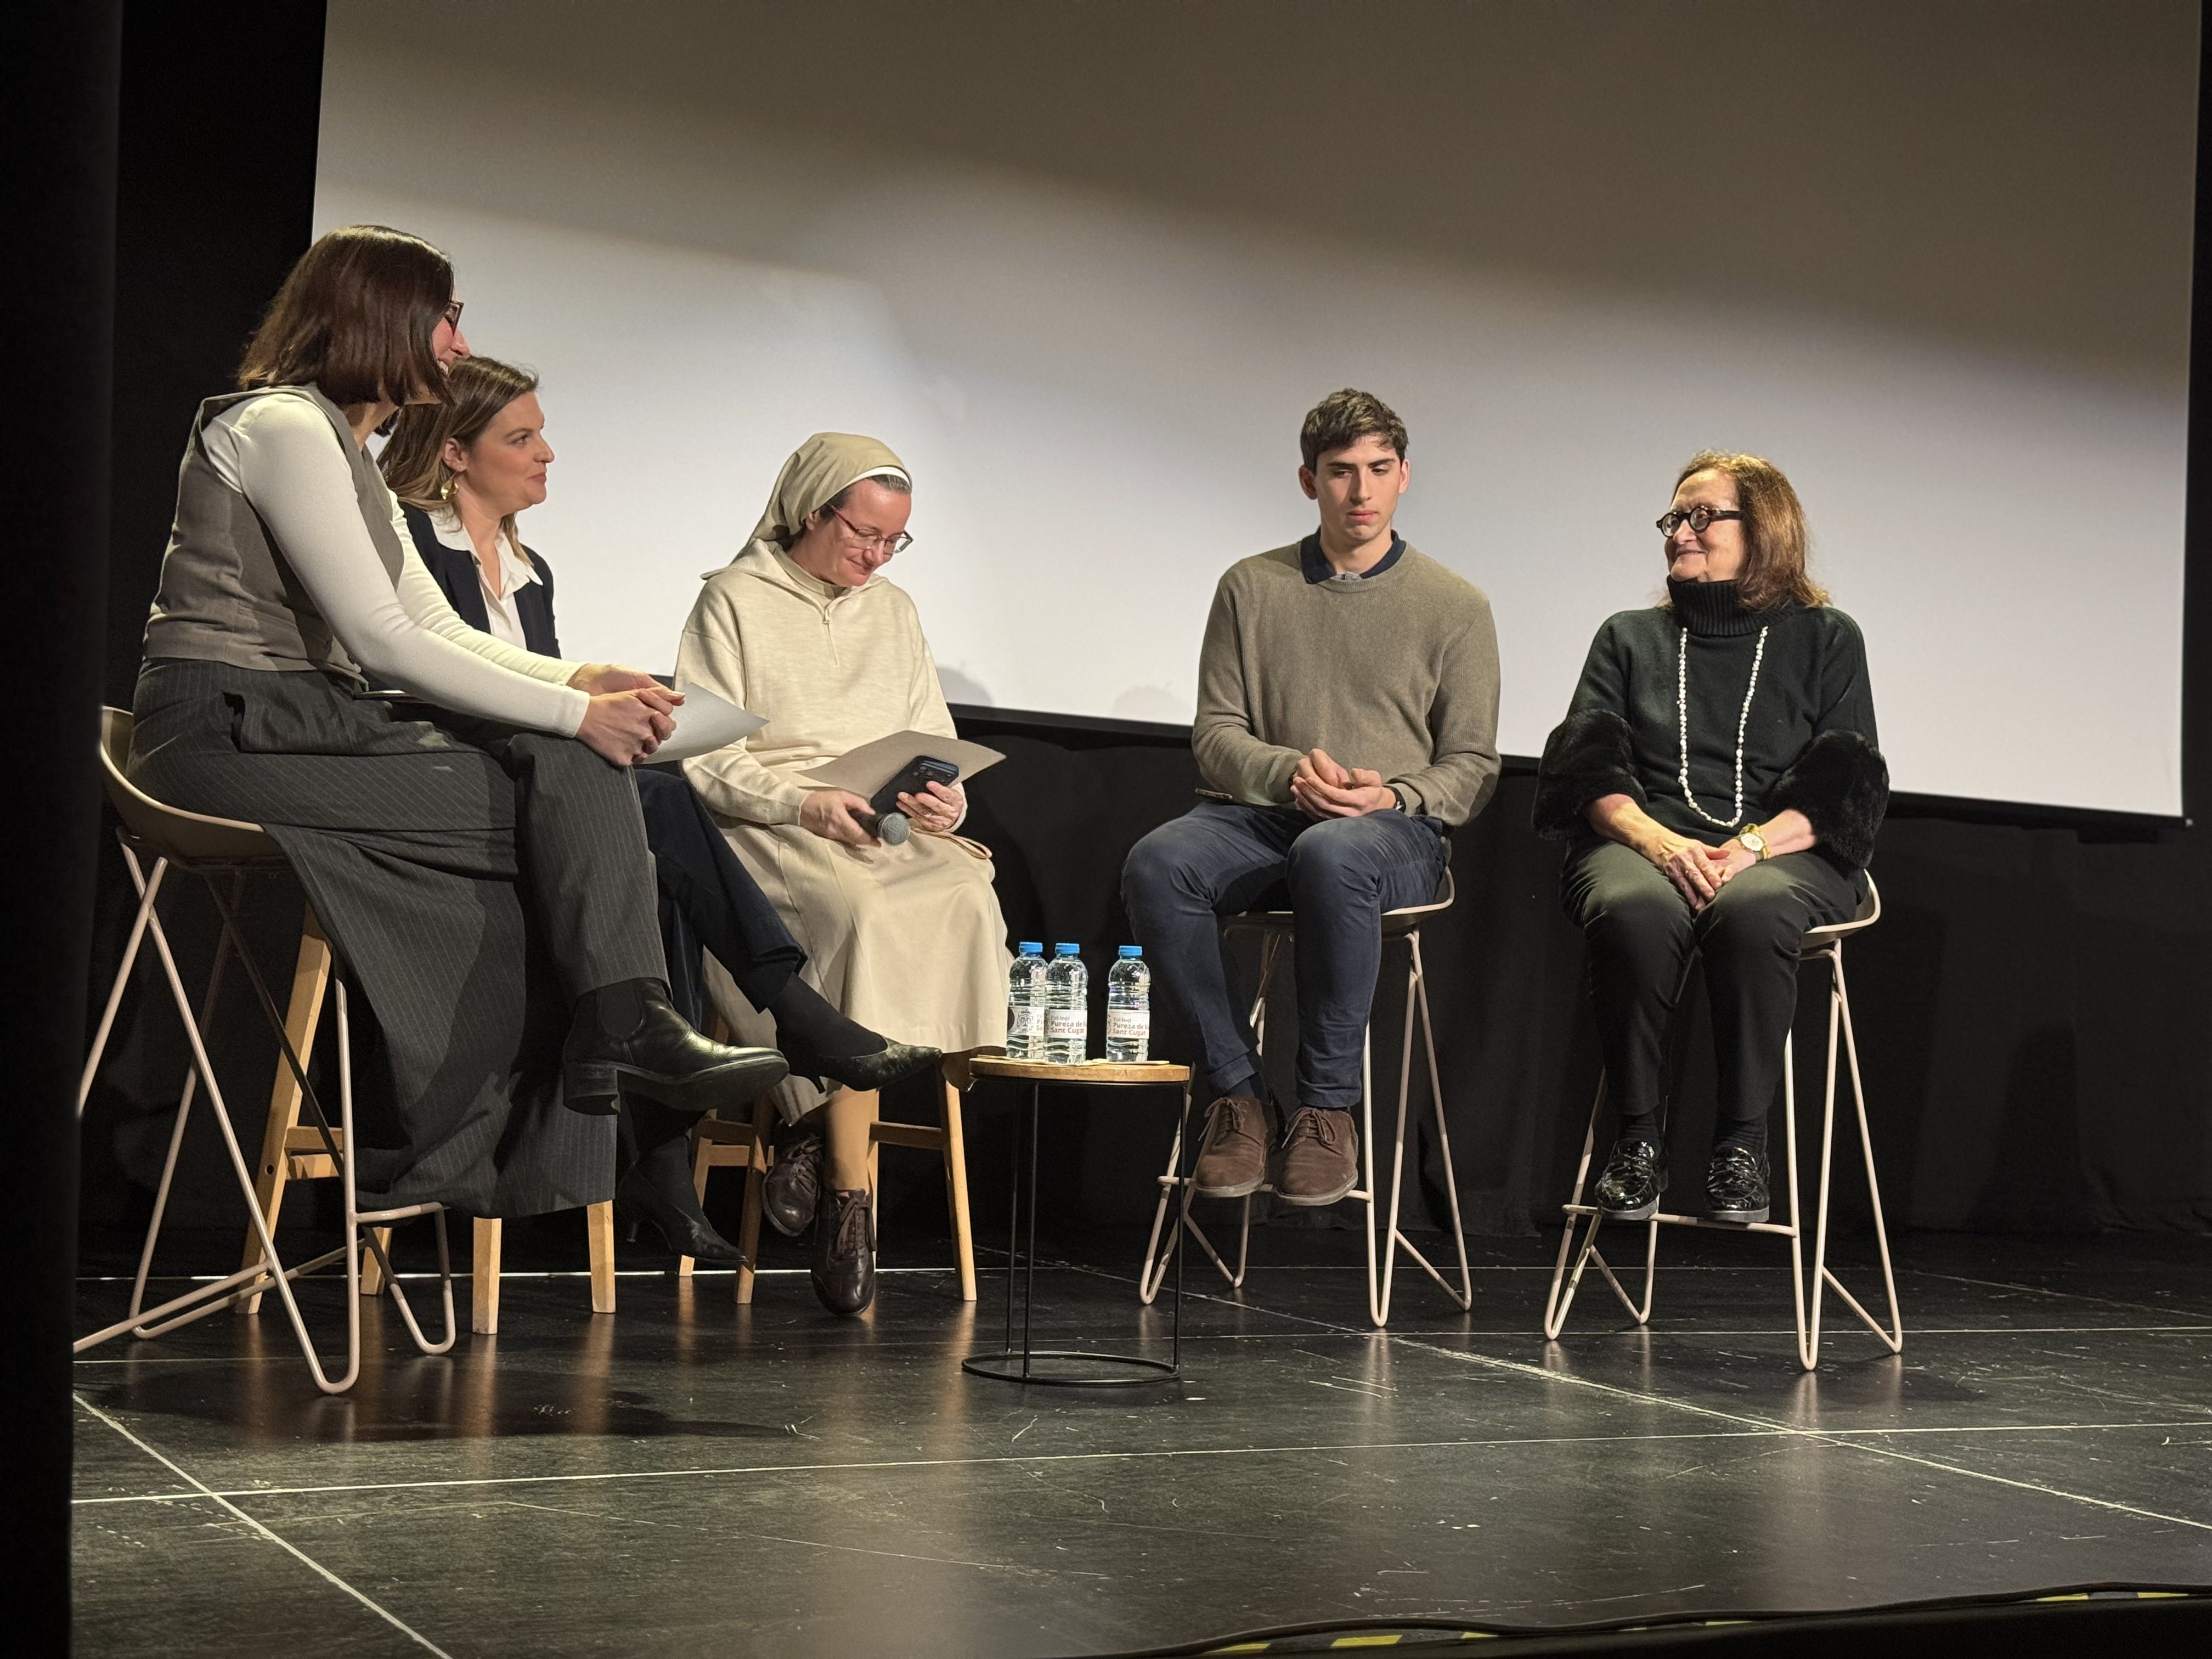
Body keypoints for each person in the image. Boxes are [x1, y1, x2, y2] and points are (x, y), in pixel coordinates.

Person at [126, 223, 788, 1221]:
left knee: (566, 765)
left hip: (309, 725)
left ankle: (623, 1020)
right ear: (383, 315)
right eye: (447, 314)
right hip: (225, 732)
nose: (456, 338)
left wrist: (578, 679)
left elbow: (434, 623)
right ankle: (599, 1050)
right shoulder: (282, 428)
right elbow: (383, 638)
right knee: (566, 781)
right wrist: (578, 709)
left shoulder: (349, 446)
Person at [379, 359, 938, 1262]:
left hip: (536, 787)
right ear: (453, 453)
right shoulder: (410, 540)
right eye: (522, 439)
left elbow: (546, 694)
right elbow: (429, 680)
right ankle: (790, 1011)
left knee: (656, 859)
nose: (546, 454)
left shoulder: (529, 570)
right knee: (667, 801)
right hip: (443, 783)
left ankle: (667, 1164)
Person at [1121, 390, 1500, 1206]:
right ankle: (1237, 1096)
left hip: (1391, 836)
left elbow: (1471, 766)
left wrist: (1394, 793)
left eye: (1377, 471)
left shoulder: (1457, 606)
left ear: (1404, 477)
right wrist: (1292, 772)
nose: (1359, 492)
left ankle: (1329, 1111)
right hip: (1258, 815)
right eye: (1339, 474)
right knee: (1159, 864)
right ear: (1308, 481)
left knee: (1331, 852)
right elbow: (1216, 735)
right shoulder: (1250, 588)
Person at [674, 433, 1011, 1317]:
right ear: (811, 511)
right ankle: (852, 1204)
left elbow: (932, 738)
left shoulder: (893, 609)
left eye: (893, 541)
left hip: (874, 817)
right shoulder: (734, 599)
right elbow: (706, 762)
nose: (875, 556)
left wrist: (946, 803)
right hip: (768, 820)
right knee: (855, 906)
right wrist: (802, 803)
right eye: (862, 535)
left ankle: (815, 1133)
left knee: (965, 891)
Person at [1532, 451, 1888, 1224]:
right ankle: (1637, 1141)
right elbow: (1588, 774)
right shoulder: (1629, 637)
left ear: (1765, 530)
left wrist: (1750, 849)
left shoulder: (1826, 638)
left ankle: (1740, 1146)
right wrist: (1661, 845)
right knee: (1632, 906)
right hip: (1645, 842)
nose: (1680, 533)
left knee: (1755, 909)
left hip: (1787, 852)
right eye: (1672, 519)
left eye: (1702, 517)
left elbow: (1843, 786)